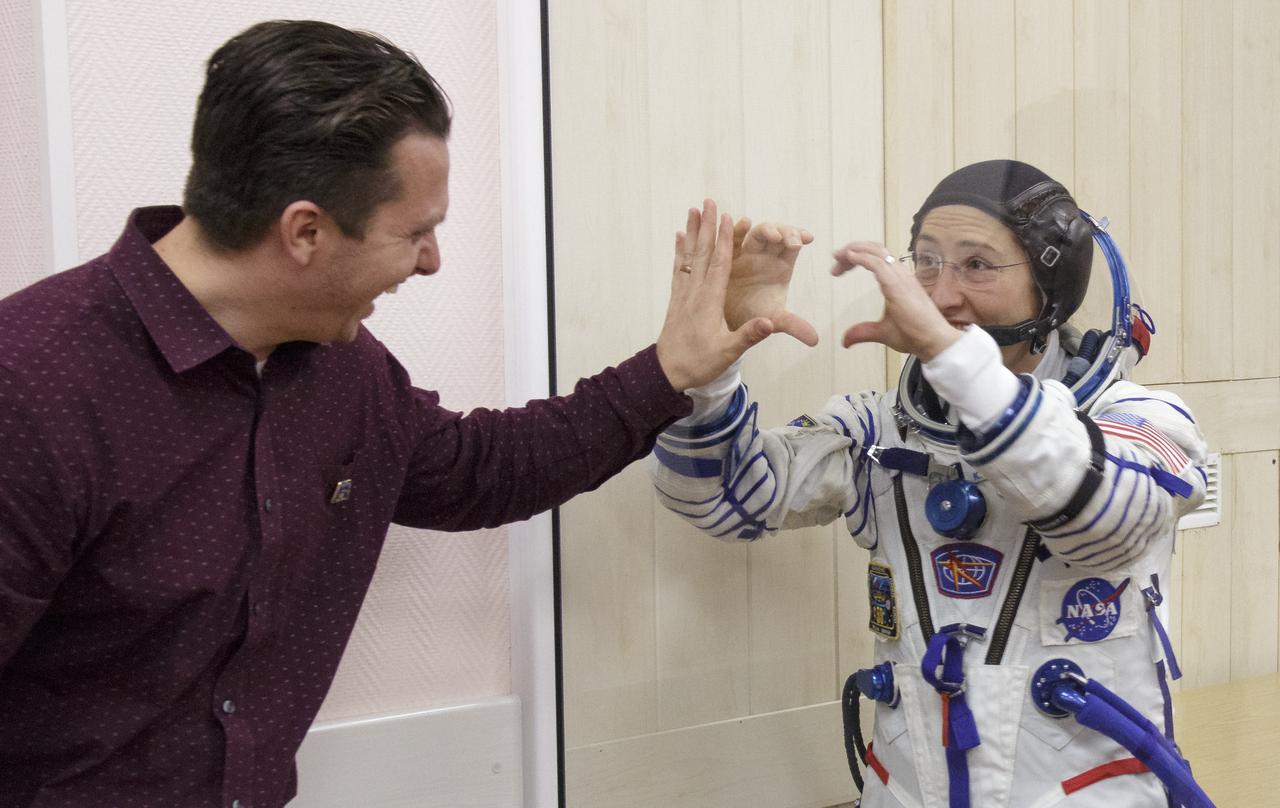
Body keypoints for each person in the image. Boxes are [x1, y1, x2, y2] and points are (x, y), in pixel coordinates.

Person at [0, 20, 777, 808]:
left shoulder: (344, 373)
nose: (433, 260)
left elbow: (484, 470)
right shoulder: (30, 386)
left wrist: (672, 368)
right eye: (417, 232)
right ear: (305, 230)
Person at [652, 160, 1212, 807]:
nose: (941, 295)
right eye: (925, 261)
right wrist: (709, 366)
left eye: (977, 265)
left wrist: (956, 366)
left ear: (1051, 284)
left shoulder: (1139, 419)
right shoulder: (879, 432)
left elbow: (1099, 515)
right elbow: (724, 499)